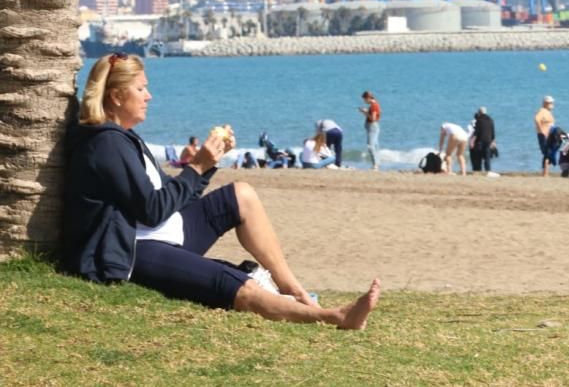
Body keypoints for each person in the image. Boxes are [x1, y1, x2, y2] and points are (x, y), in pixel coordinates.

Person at [62, 53, 379, 327]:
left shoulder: (122, 137)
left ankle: (294, 290)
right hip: (137, 249)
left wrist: (207, 164)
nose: (149, 96)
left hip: (167, 231)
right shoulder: (106, 143)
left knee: (241, 194)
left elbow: (167, 199)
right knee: (238, 286)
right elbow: (152, 209)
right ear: (116, 97)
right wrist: (197, 167)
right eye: (141, 89)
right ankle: (333, 317)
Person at [469, 107, 496, 173]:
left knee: (478, 158)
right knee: (487, 158)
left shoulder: (479, 120)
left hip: (480, 141)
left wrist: (472, 141)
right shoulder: (491, 120)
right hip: (488, 141)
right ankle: (488, 171)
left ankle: (478, 171)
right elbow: (493, 132)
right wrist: (493, 142)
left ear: (479, 112)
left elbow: (476, 132)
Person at [358, 91, 381, 171]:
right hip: (372, 127)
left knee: (370, 146)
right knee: (375, 146)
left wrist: (365, 112)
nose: (364, 101)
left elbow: (373, 119)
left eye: (364, 100)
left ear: (368, 98)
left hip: (372, 127)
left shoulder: (374, 106)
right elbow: (371, 116)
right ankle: (377, 164)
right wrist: (365, 112)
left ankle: (375, 165)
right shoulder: (373, 105)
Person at [534, 96, 556, 177]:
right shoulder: (542, 111)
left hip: (550, 135)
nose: (552, 105)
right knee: (547, 153)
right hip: (544, 135)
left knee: (549, 153)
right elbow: (536, 119)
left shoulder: (547, 112)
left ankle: (545, 173)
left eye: (552, 103)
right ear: (545, 104)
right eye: (550, 103)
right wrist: (542, 130)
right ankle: (545, 173)